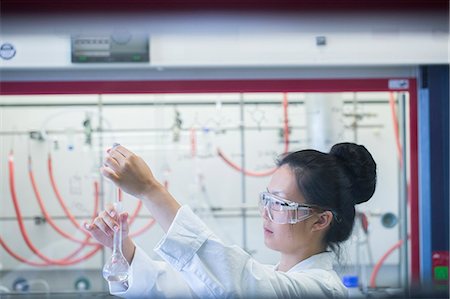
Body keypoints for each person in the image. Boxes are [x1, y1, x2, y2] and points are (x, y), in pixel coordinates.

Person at [85, 142, 377, 298]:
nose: (266, 212)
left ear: (319, 221)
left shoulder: (321, 289)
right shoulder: (275, 275)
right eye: (267, 199)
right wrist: (123, 249)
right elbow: (180, 286)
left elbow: (234, 285)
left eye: (280, 204)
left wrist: (151, 190)